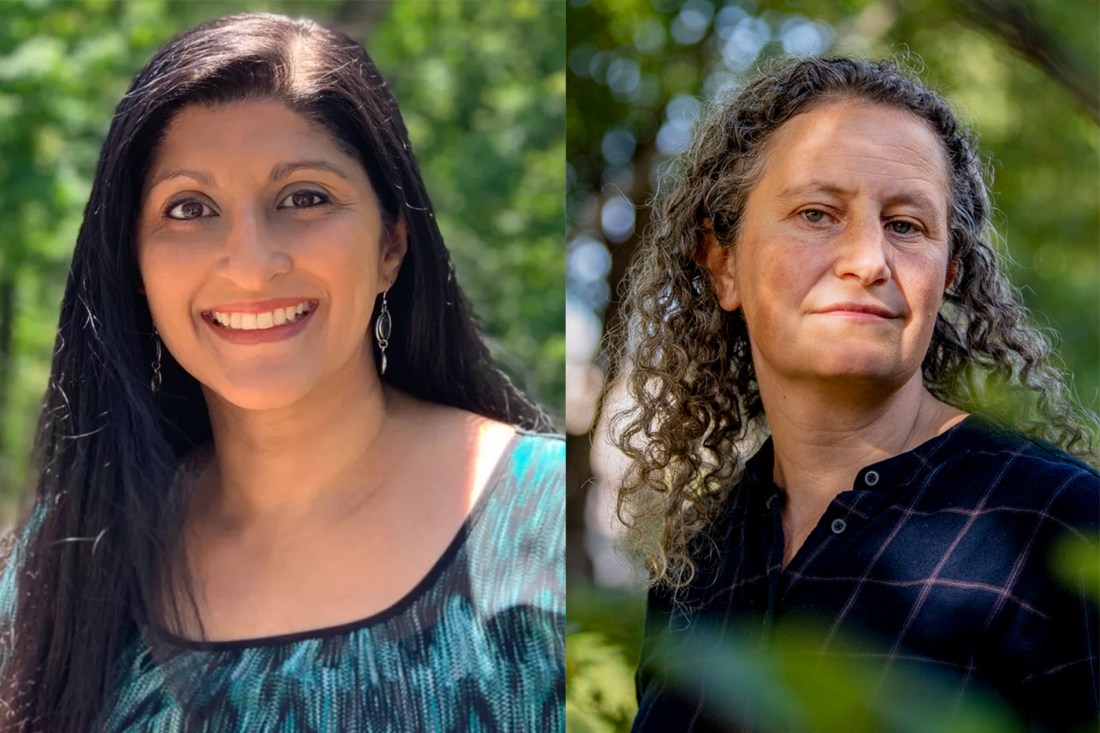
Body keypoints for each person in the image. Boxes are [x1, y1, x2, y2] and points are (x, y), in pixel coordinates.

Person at [0, 12, 564, 733]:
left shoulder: (537, 525)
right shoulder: (67, 562)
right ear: (133, 265)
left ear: (393, 241)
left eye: (304, 197)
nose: (251, 263)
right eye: (189, 207)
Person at [606, 57, 1099, 732]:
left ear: (947, 274)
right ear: (723, 265)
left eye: (906, 225)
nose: (868, 260)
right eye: (817, 213)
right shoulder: (699, 559)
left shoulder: (1058, 524)